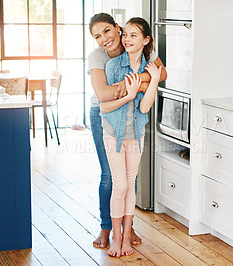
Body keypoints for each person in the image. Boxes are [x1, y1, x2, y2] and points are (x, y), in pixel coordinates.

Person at [88, 13, 167, 249]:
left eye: (107, 31)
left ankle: (127, 228)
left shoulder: (135, 43)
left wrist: (139, 79)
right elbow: (103, 95)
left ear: (117, 28)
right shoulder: (99, 57)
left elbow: (161, 73)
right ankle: (106, 228)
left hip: (134, 117)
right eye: (97, 36)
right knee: (110, 177)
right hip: (103, 114)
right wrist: (129, 88)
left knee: (128, 179)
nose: (104, 39)